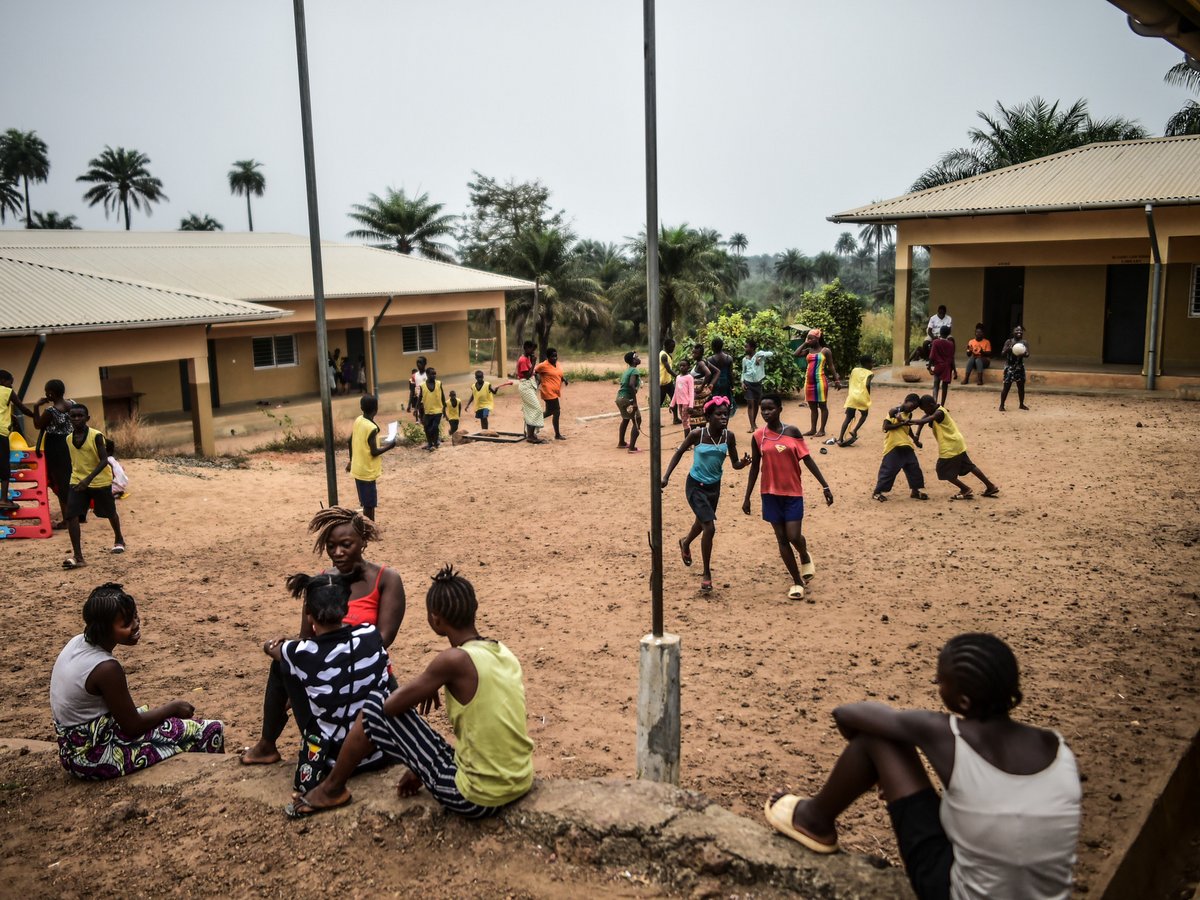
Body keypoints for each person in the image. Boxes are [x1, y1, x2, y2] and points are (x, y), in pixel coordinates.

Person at [763, 633, 1081, 900]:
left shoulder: (945, 733)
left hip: (956, 891)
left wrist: (882, 772)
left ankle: (814, 819)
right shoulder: (1056, 746)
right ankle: (815, 818)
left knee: (878, 739)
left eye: (941, 681)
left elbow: (846, 713)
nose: (936, 683)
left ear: (964, 702)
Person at [285, 564, 534, 819]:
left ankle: (332, 788)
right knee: (438, 742)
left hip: (477, 797)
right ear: (474, 609)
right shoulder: (501, 651)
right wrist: (432, 682)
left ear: (434, 619)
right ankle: (341, 784)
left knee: (372, 705)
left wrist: (431, 680)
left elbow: (388, 709)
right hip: (520, 779)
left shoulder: (452, 661)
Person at [239, 507, 406, 766]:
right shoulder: (321, 582)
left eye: (346, 545)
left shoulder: (386, 579)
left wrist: (325, 670)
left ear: (363, 541)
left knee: (284, 658)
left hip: (369, 673)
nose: (337, 553)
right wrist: (312, 675)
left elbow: (382, 639)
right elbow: (307, 638)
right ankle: (267, 744)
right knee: (282, 665)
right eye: (331, 546)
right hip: (329, 672)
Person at [50, 582, 225, 780]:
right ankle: (216, 782)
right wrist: (172, 707)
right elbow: (132, 726)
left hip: (73, 748)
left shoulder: (77, 642)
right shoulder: (106, 668)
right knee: (210, 730)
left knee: (169, 726)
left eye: (134, 616)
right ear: (104, 629)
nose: (135, 624)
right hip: (92, 757)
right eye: (125, 624)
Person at [263, 572, 391, 794]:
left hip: (331, 758)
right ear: (346, 610)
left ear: (308, 615)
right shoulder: (370, 634)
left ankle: (266, 746)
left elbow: (271, 649)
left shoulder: (299, 651)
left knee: (281, 666)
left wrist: (272, 644)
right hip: (378, 752)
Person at [742, 395, 833, 600]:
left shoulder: (792, 432)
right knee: (782, 539)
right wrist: (747, 496)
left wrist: (825, 485)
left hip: (792, 492)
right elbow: (755, 467)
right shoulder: (758, 436)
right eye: (763, 409)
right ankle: (797, 582)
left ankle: (803, 553)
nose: (766, 413)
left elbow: (807, 459)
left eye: (770, 409)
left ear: (780, 409)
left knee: (793, 536)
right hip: (769, 493)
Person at [661, 396, 750, 593]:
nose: (723, 418)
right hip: (695, 486)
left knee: (700, 523)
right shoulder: (697, 434)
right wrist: (666, 476)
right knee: (709, 527)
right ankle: (706, 573)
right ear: (708, 416)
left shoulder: (729, 437)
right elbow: (679, 452)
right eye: (718, 414)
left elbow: (734, 464)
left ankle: (685, 542)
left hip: (714, 488)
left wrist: (743, 463)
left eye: (726, 414)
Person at [63, 403, 125, 569]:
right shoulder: (68, 439)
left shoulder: (96, 436)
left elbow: (104, 460)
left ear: (87, 418)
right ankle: (78, 556)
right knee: (71, 515)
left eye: (80, 416)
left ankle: (119, 538)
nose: (76, 419)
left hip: (98, 481)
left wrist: (88, 480)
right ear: (69, 418)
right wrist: (78, 479)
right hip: (77, 480)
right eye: (73, 416)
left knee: (109, 512)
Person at [910, 395, 999, 500]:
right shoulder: (937, 409)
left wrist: (907, 422)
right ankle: (990, 486)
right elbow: (924, 418)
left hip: (950, 446)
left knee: (943, 470)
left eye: (925, 409)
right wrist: (917, 435)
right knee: (970, 466)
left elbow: (926, 419)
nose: (925, 412)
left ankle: (965, 489)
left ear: (931, 405)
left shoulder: (939, 413)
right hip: (957, 442)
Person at [30, 379, 74, 526]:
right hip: (71, 444)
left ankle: (67, 519)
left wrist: (36, 406)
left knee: (60, 483)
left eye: (46, 392)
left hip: (56, 447)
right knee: (72, 480)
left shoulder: (51, 411)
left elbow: (37, 425)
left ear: (51, 393)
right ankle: (78, 514)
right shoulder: (72, 404)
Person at [345, 394, 396, 521]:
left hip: (358, 468)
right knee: (370, 504)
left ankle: (367, 527)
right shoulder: (372, 428)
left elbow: (349, 441)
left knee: (365, 501)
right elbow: (373, 452)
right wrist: (390, 446)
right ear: (376, 408)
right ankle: (369, 528)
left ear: (361, 407)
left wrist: (351, 460)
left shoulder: (358, 420)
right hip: (367, 471)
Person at [872, 393, 928, 502]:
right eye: (911, 406)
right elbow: (886, 426)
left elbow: (908, 428)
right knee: (889, 470)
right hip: (894, 445)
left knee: (914, 468)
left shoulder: (909, 415)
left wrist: (915, 440)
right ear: (906, 401)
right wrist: (901, 423)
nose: (912, 409)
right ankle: (877, 492)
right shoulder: (894, 411)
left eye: (915, 408)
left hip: (906, 445)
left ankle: (915, 491)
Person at [793, 329, 841, 437]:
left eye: (811, 338)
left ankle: (822, 430)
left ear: (817, 339)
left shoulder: (825, 351)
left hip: (820, 382)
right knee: (812, 408)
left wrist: (836, 380)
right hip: (809, 383)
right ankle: (813, 429)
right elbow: (795, 354)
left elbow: (831, 366)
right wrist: (805, 343)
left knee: (823, 406)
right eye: (808, 338)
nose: (809, 340)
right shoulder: (808, 350)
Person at [0, 370, 35, 511]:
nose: (11, 386)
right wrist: (36, 415)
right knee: (4, 467)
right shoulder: (7, 391)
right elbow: (22, 408)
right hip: (1, 433)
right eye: (10, 382)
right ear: (2, 380)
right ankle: (3, 499)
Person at [835, 355, 873, 447]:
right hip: (862, 397)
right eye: (871, 363)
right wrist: (868, 395)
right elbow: (867, 385)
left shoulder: (854, 370)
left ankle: (840, 438)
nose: (872, 364)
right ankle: (854, 430)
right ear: (867, 363)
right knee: (864, 415)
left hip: (852, 397)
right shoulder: (870, 373)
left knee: (848, 418)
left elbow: (852, 381)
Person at [741, 338, 775, 432]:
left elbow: (771, 353)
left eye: (746, 347)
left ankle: (754, 423)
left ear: (752, 348)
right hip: (748, 383)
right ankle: (752, 426)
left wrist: (760, 356)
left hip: (758, 383)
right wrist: (742, 382)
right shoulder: (744, 359)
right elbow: (743, 372)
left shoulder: (759, 354)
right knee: (750, 404)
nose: (745, 348)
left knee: (756, 404)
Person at [535, 347, 568, 440]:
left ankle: (532, 421)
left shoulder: (557, 364)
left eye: (555, 356)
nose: (554, 358)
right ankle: (557, 434)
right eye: (552, 356)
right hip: (548, 391)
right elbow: (535, 372)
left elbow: (559, 374)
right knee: (556, 411)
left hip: (555, 392)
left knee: (550, 411)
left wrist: (564, 379)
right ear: (548, 357)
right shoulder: (543, 365)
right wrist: (539, 379)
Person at [516, 342, 545, 444]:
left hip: (529, 385)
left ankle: (531, 435)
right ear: (525, 348)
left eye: (534, 350)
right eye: (531, 349)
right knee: (537, 409)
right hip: (525, 386)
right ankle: (531, 436)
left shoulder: (527, 358)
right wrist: (533, 363)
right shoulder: (523, 360)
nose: (533, 352)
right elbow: (527, 375)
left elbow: (531, 373)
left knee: (529, 410)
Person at [615, 350, 643, 453]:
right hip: (627, 399)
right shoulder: (634, 371)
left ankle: (621, 442)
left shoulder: (627, 371)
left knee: (626, 418)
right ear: (633, 360)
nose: (638, 358)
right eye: (636, 357)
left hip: (620, 398)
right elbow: (631, 385)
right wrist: (634, 403)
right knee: (638, 420)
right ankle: (632, 448)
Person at [999, 325, 1030, 412]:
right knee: (1006, 387)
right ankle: (1001, 405)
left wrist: (1023, 354)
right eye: (1017, 330)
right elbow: (1002, 353)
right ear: (1013, 332)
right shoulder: (1009, 342)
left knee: (1021, 387)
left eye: (1020, 330)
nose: (1019, 332)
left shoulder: (1024, 343)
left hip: (1020, 367)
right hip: (1009, 367)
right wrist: (1008, 350)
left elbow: (1028, 354)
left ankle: (1021, 404)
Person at [706, 337, 737, 415]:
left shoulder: (710, 359)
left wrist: (708, 385)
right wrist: (732, 386)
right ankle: (725, 422)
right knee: (726, 402)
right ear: (722, 346)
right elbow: (730, 374)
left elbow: (709, 375)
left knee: (715, 402)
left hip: (715, 384)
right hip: (726, 383)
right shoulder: (729, 358)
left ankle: (717, 419)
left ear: (712, 347)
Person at [928, 326, 957, 408]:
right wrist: (954, 370)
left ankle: (934, 403)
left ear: (940, 333)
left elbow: (932, 356)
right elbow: (952, 358)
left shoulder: (935, 342)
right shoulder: (951, 344)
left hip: (938, 366)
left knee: (936, 385)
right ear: (948, 334)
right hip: (947, 368)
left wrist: (929, 366)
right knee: (945, 387)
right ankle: (942, 406)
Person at [419, 366, 447, 451]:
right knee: (427, 428)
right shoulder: (422, 385)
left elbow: (442, 396)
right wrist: (416, 409)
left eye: (435, 374)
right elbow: (420, 397)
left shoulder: (439, 383)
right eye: (432, 374)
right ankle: (430, 443)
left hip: (438, 410)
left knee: (434, 427)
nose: (434, 375)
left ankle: (435, 443)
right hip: (427, 411)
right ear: (427, 374)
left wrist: (444, 408)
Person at [660, 337, 679, 425]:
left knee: (674, 399)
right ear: (666, 346)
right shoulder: (663, 355)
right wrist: (677, 376)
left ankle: (675, 418)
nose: (673, 349)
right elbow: (668, 369)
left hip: (668, 381)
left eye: (674, 347)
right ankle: (656, 422)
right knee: (659, 402)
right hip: (662, 383)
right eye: (671, 347)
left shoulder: (668, 355)